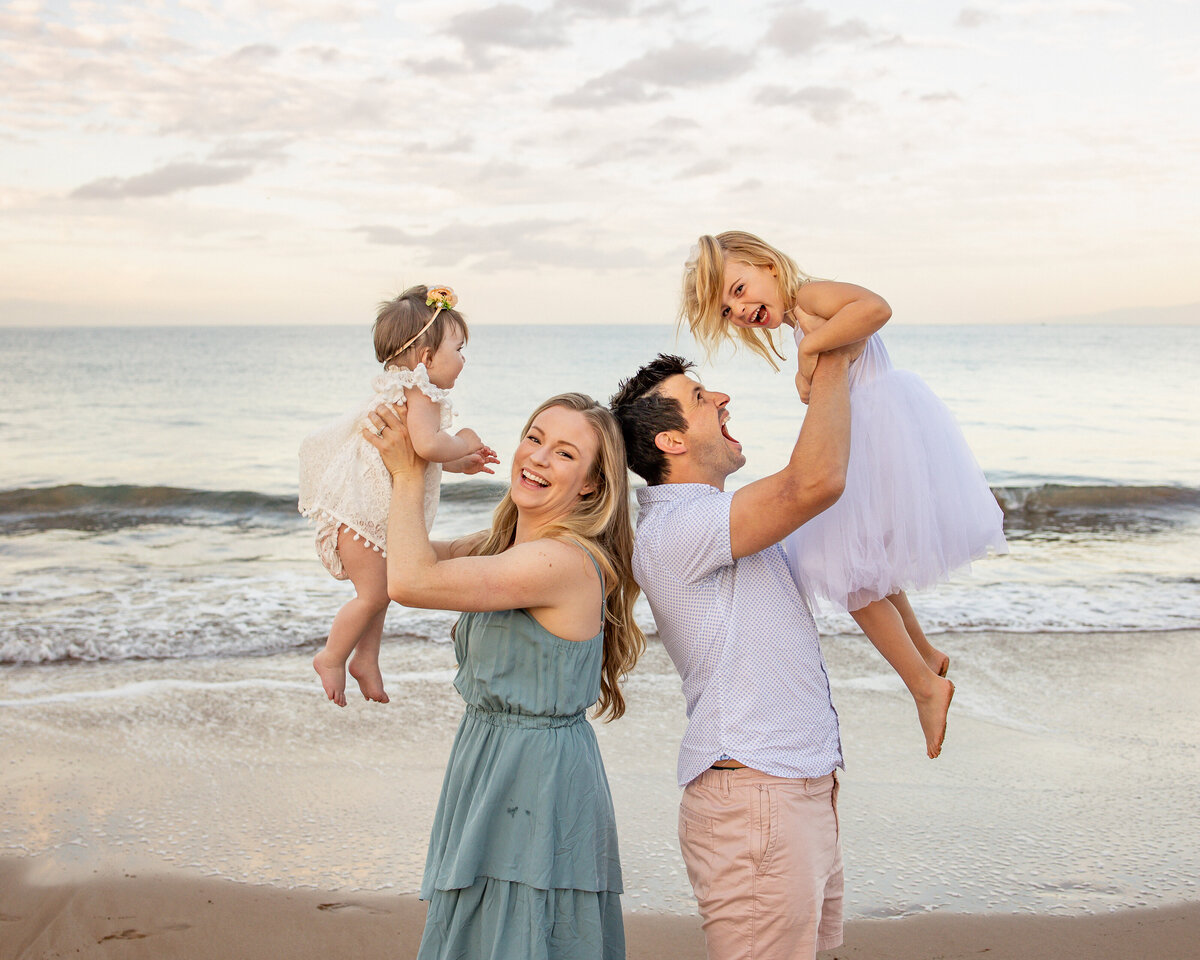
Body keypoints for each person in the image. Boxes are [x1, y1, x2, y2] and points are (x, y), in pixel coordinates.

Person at [680, 231, 1008, 758]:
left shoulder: (811, 297)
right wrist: (809, 363)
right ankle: (925, 654)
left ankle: (926, 688)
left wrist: (811, 348)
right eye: (727, 309)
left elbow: (876, 307)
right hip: (868, 435)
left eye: (740, 289)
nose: (740, 309)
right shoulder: (801, 316)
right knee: (866, 562)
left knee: (846, 573)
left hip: (874, 435)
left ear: (768, 265)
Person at [363, 392, 644, 960]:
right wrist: (407, 446)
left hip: (537, 773)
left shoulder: (560, 562)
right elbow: (390, 558)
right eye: (535, 438)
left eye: (565, 454)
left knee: (525, 930)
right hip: (488, 754)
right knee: (485, 928)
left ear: (591, 485)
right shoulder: (498, 548)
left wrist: (411, 472)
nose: (537, 458)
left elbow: (410, 584)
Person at [609, 346, 858, 959]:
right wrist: (830, 356)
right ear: (671, 442)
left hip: (791, 790)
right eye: (700, 399)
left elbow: (858, 568)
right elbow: (815, 481)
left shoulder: (719, 522)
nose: (721, 399)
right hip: (756, 797)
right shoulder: (677, 531)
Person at [299, 285, 497, 707]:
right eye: (459, 349)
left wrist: (459, 463)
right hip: (362, 518)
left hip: (366, 515)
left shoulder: (404, 391)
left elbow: (419, 455)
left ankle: (365, 659)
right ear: (426, 358)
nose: (464, 359)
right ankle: (331, 656)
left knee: (382, 591)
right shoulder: (420, 392)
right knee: (374, 595)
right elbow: (427, 447)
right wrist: (464, 441)